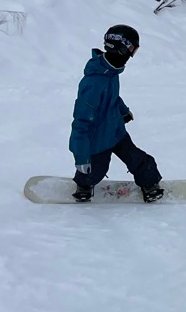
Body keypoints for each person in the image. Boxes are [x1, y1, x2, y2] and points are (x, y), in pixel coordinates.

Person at [70, 25, 164, 202]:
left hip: (116, 130)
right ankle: (84, 185)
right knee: (95, 171)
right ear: (122, 48)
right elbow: (81, 122)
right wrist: (81, 157)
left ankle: (150, 184)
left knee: (139, 160)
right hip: (98, 138)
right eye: (132, 49)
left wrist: (123, 111)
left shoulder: (111, 72)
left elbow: (112, 97)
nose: (132, 54)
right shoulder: (93, 83)